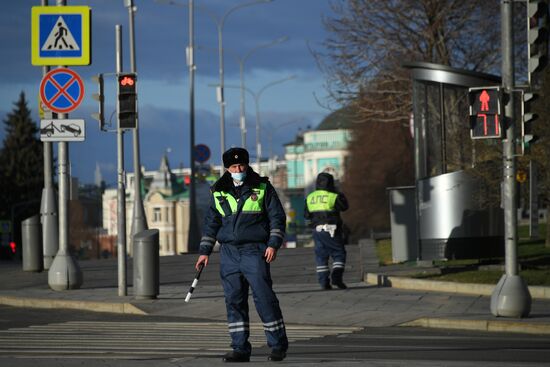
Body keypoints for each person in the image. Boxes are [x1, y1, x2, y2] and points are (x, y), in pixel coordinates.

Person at [195, 147, 288, 363]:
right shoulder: (218, 190)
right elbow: (212, 223)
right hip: (228, 253)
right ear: (227, 168)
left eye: (242, 165)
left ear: (247, 165)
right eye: (234, 166)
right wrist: (204, 252)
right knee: (233, 300)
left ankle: (277, 345)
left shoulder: (262, 187)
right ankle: (240, 348)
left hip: (255, 250)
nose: (238, 169)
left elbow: (277, 218)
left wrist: (273, 244)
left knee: (264, 298)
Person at [304, 172, 349, 290]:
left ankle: (324, 282)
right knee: (339, 253)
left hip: (317, 230)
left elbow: (306, 215)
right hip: (331, 229)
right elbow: (344, 207)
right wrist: (339, 193)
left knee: (321, 256)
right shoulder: (333, 196)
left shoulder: (310, 197)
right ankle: (337, 278)